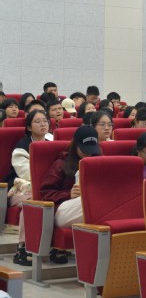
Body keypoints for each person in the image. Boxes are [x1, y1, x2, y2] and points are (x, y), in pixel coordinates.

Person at [5, 109, 53, 266]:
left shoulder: (52, 143)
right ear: (29, 127)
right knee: (32, 202)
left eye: (45, 121)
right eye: (37, 121)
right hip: (21, 189)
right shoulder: (22, 147)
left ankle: (55, 247)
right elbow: (28, 174)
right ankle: (23, 248)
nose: (43, 124)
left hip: (46, 187)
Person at [41, 126, 101, 236]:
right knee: (92, 202)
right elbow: (46, 193)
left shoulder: (99, 163)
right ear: (75, 145)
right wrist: (69, 194)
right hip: (64, 209)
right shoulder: (61, 164)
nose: (88, 154)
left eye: (91, 150)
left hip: (90, 207)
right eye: (84, 150)